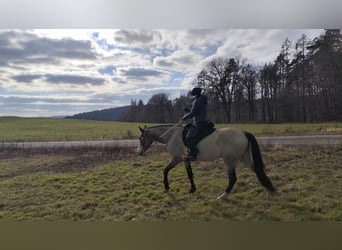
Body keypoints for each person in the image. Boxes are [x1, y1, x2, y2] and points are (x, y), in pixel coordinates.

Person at [181, 87, 209, 161]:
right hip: (203, 121)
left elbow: (193, 113)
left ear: (195, 94)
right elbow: (196, 112)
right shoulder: (201, 99)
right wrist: (188, 111)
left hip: (199, 122)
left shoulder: (198, 101)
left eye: (193, 95)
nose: (192, 96)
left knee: (188, 139)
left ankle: (193, 155)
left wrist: (184, 117)